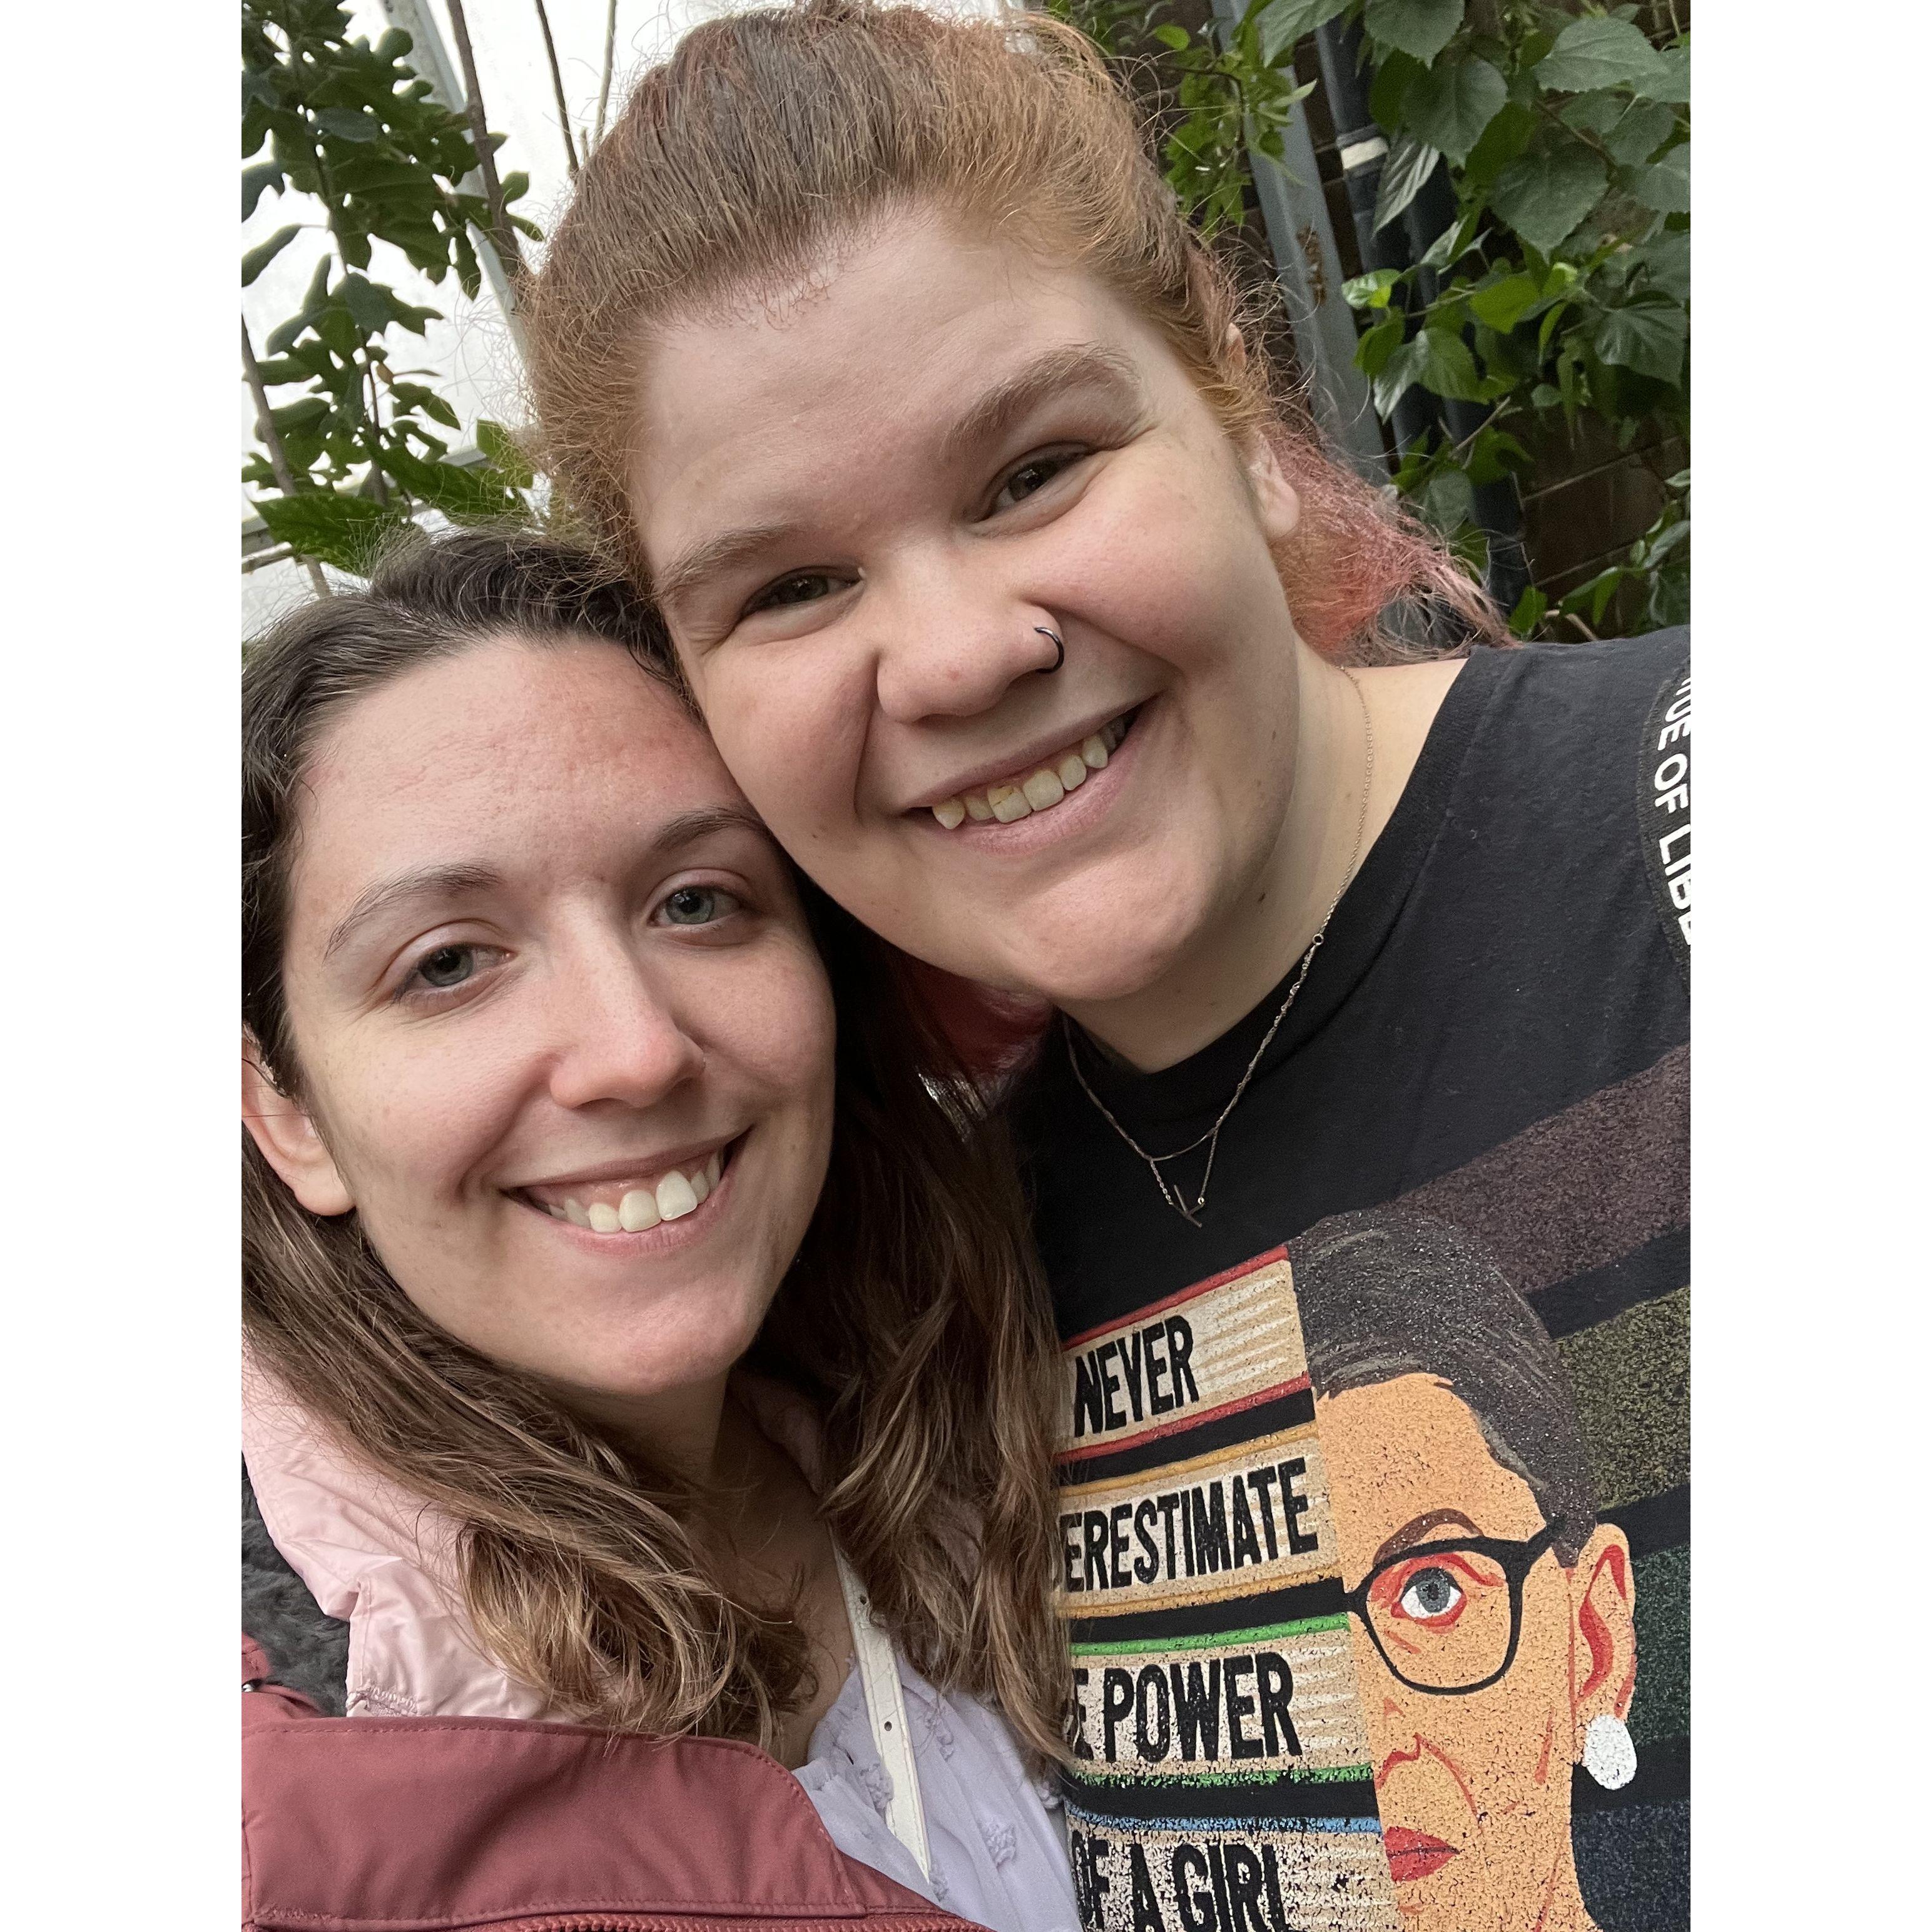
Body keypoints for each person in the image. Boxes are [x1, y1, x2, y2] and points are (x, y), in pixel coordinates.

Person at [522, 5, 1690, 1925]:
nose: (958, 655)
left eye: (1033, 471)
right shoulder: (916, 1304)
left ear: (1232, 395)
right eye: (793, 587)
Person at [239, 530, 1081, 1930]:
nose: (634, 1050)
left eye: (697, 901)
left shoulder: (972, 1406)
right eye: (448, 963)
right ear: (288, 1109)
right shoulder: (265, 1792)